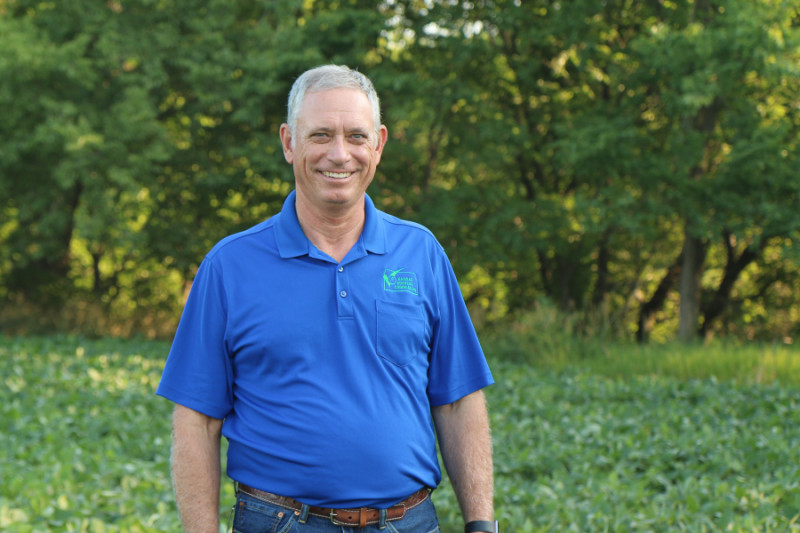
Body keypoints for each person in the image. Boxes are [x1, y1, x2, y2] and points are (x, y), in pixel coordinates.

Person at [157, 64, 496, 533]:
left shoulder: (421, 254)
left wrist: (482, 524)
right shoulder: (228, 266)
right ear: (288, 142)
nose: (340, 154)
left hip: (409, 523)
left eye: (356, 136)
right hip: (277, 523)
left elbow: (458, 400)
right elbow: (197, 420)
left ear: (378, 143)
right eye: (320, 135)